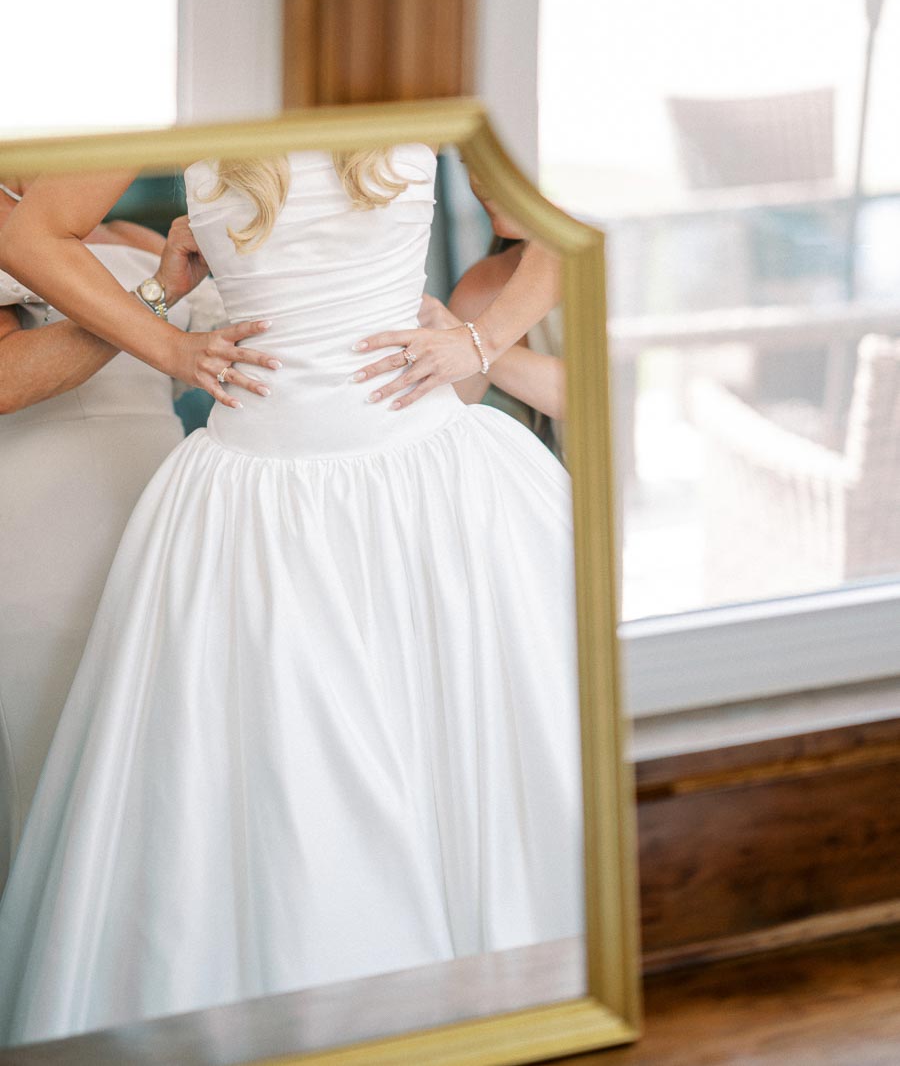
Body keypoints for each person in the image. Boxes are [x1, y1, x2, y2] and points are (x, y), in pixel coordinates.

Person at [0, 146, 581, 1044]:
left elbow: (567, 208)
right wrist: (170, 344)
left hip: (430, 484)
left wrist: (481, 339)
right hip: (253, 503)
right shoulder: (177, 84)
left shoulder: (407, 62)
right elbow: (33, 234)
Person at [0, 178, 248, 890]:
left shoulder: (137, 241)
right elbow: (6, 381)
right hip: (45, 517)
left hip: (163, 505)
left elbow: (194, 364)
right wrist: (157, 301)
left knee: (174, 765)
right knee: (59, 769)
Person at [417, 171, 565, 455]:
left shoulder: (618, 255)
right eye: (466, 162)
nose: (479, 178)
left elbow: (600, 398)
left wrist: (469, 342)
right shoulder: (484, 287)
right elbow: (443, 424)